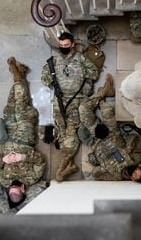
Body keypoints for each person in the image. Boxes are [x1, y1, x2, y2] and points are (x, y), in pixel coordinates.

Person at [41, 31, 99, 182]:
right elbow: (45, 78)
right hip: (59, 100)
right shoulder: (53, 61)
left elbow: (93, 73)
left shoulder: (81, 59)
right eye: (61, 45)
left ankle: (64, 163)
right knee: (60, 129)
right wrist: (54, 83)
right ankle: (70, 161)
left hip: (76, 100)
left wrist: (85, 86)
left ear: (72, 45)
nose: (63, 48)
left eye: (66, 45)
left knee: (71, 132)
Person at [79, 74, 141, 182]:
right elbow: (135, 139)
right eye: (138, 170)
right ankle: (103, 94)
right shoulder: (134, 159)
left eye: (136, 174)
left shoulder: (115, 177)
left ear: (133, 179)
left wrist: (101, 164)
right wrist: (127, 147)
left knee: (83, 109)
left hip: (96, 139)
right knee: (107, 110)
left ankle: (102, 94)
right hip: (112, 132)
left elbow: (95, 174)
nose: (135, 171)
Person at [0, 57, 46, 212]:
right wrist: (23, 157)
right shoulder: (32, 178)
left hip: (8, 135)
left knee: (10, 105)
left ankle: (20, 75)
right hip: (24, 136)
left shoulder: (4, 180)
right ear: (23, 191)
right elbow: (40, 160)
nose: (13, 186)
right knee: (21, 105)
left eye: (11, 189)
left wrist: (3, 159)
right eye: (17, 189)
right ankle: (16, 75)